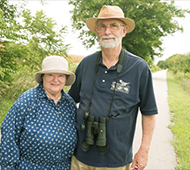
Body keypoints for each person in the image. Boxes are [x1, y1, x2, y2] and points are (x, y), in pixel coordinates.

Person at [68, 5, 158, 170]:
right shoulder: (85, 64)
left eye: (113, 26)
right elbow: (69, 102)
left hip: (116, 161)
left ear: (124, 31)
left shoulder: (139, 68)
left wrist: (144, 150)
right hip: (79, 158)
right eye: (102, 26)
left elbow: (149, 113)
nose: (107, 31)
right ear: (96, 31)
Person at [0, 56, 77, 169]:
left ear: (65, 79)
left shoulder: (69, 104)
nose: (56, 80)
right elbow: (9, 135)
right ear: (43, 77)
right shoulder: (27, 101)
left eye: (60, 75)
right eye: (51, 75)